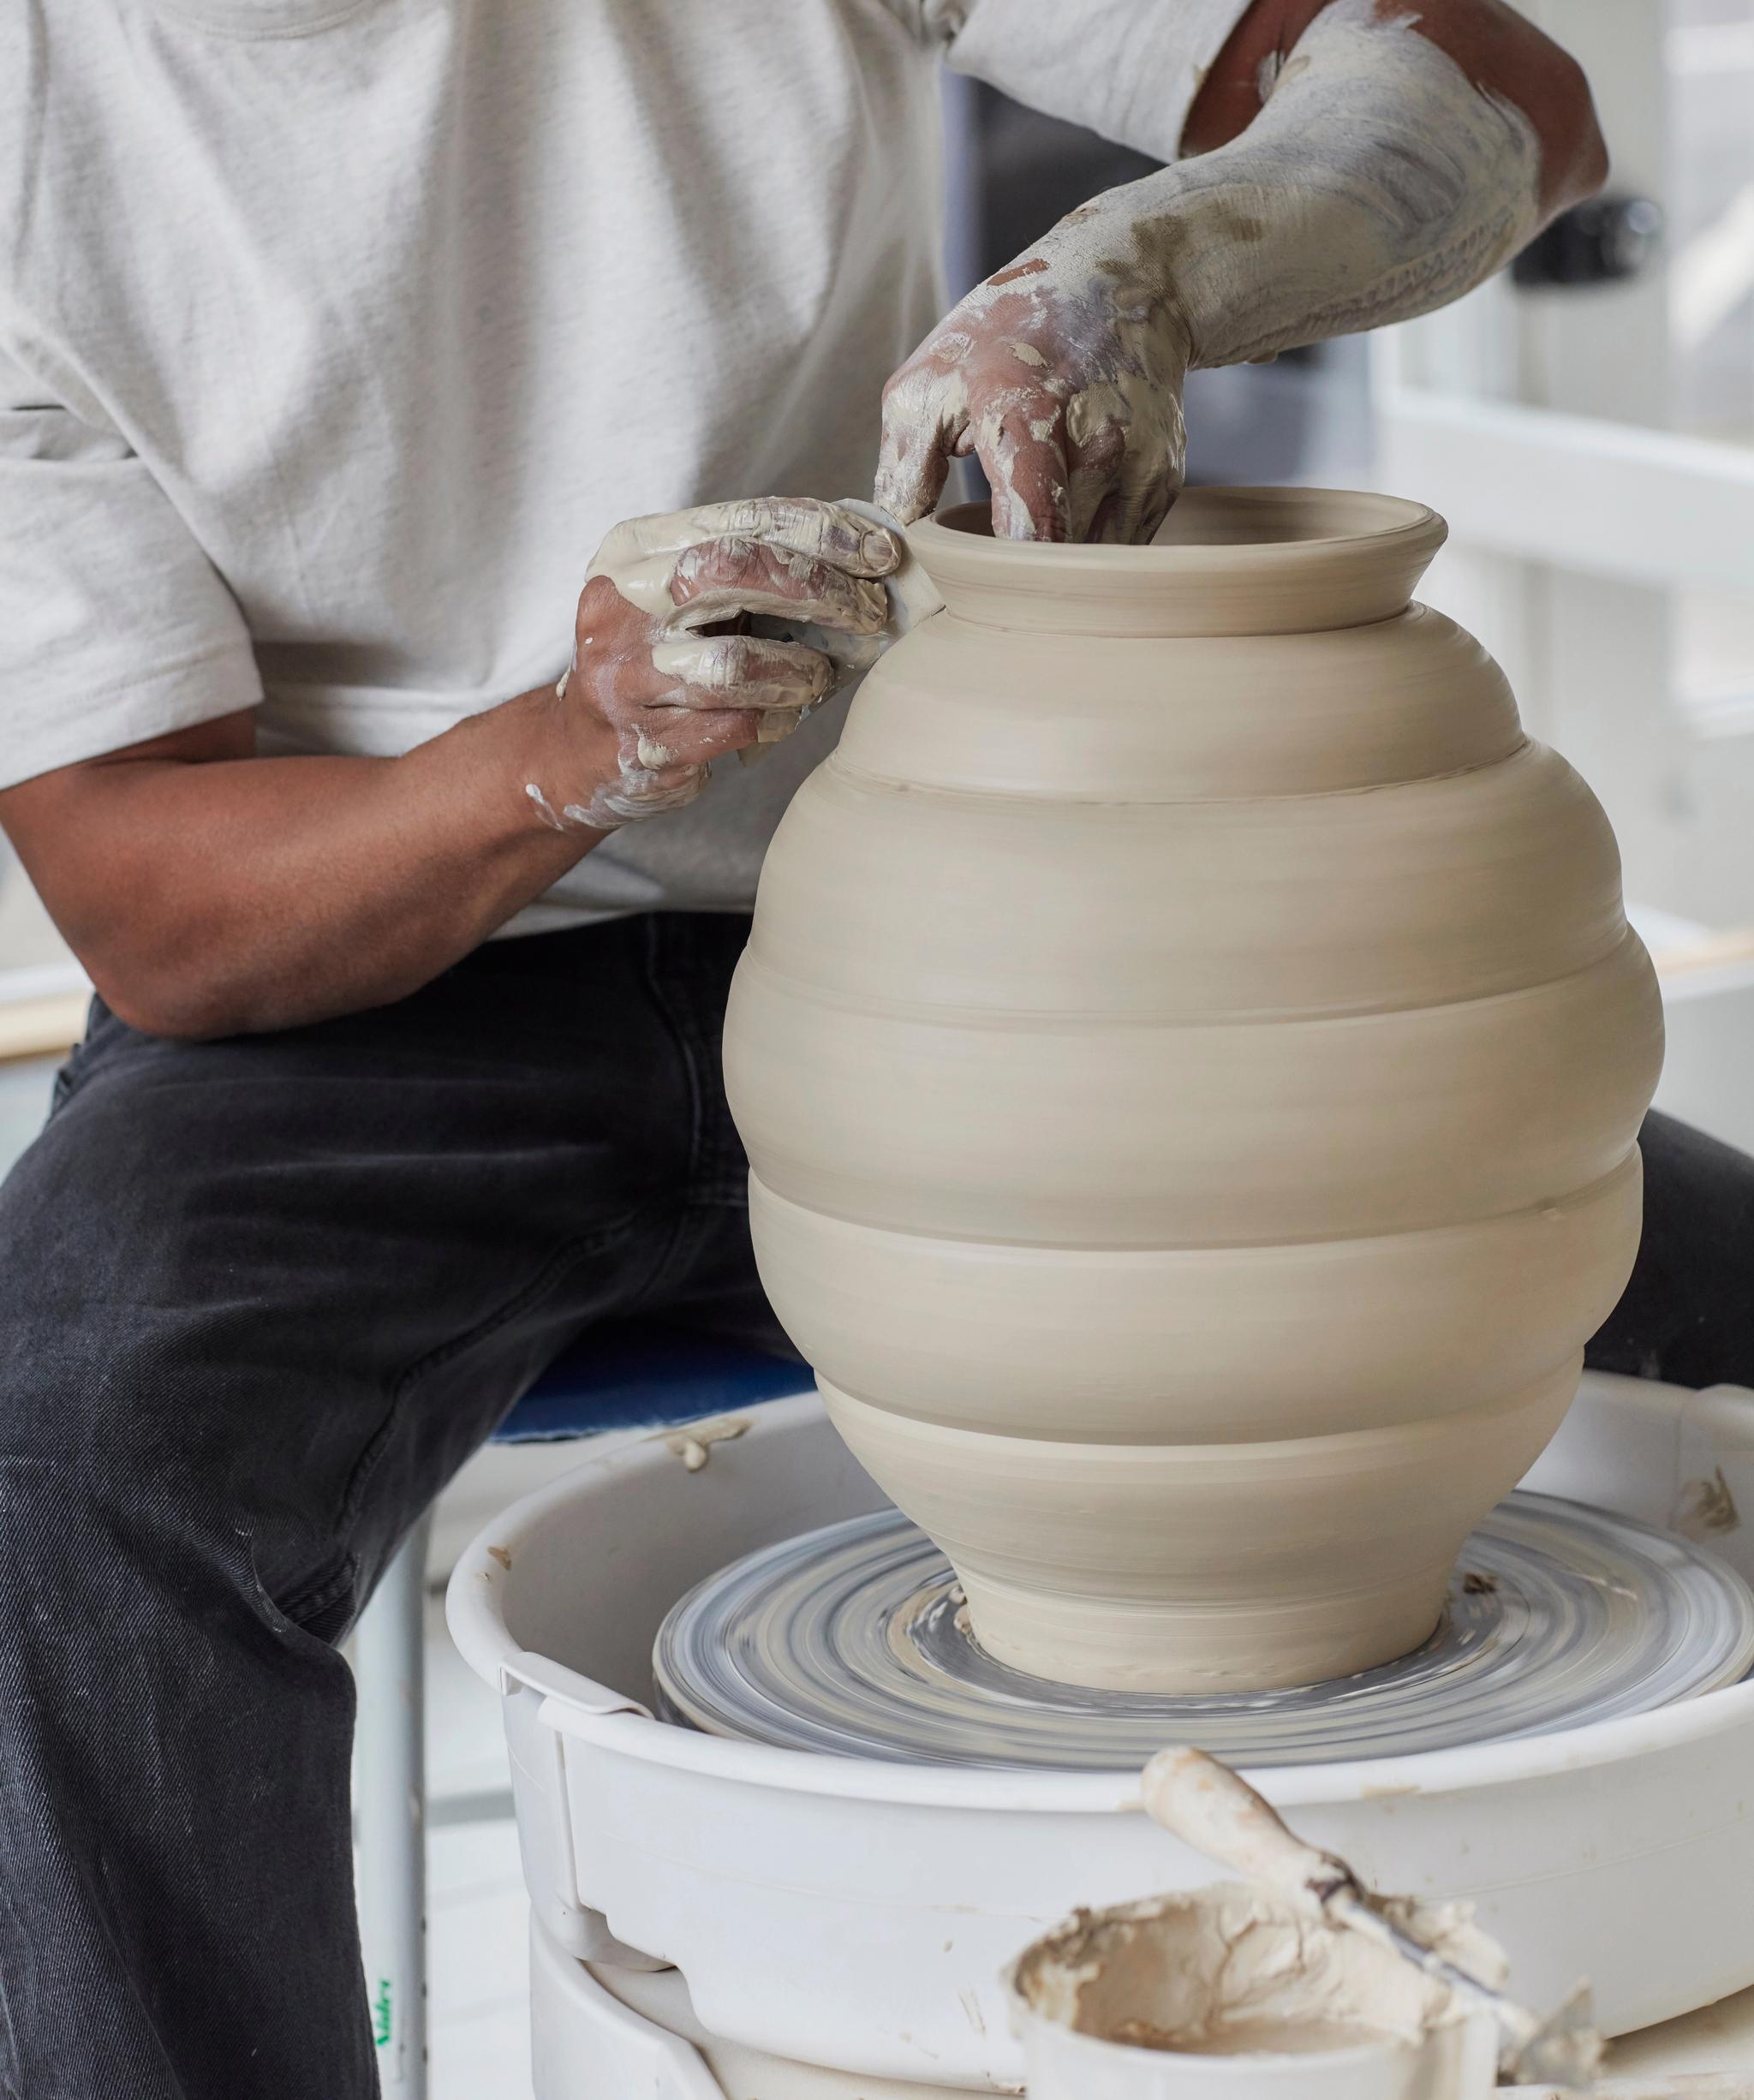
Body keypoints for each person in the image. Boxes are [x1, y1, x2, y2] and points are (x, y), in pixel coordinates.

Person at [0, 1, 1730, 2092]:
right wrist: (561, 747)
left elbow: (1507, 95)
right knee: (59, 1490)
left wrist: (1161, 261)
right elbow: (151, 894)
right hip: (373, 997)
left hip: (986, 931)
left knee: (1700, 1295)